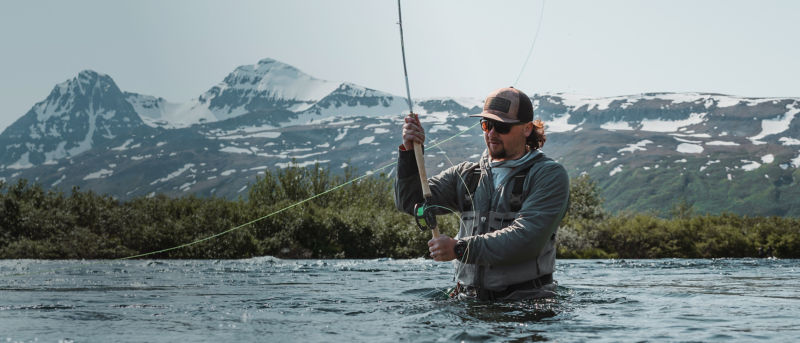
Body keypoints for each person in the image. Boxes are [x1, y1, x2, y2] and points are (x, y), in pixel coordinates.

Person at [394, 87, 570, 301]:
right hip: (467, 300)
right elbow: (409, 202)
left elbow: (527, 239)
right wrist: (409, 153)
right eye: (487, 125)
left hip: (527, 302)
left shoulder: (549, 175)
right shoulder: (466, 174)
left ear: (526, 129)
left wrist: (460, 249)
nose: (491, 134)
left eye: (502, 127)